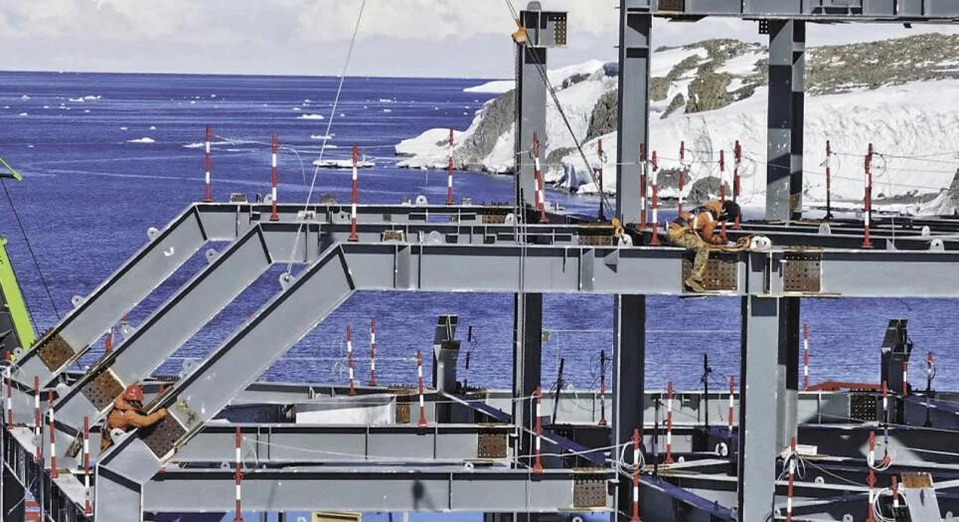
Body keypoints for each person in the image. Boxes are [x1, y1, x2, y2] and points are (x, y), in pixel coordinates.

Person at [667, 200, 741, 293]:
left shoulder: (709, 207)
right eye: (727, 218)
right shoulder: (710, 218)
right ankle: (694, 279)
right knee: (703, 248)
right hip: (677, 235)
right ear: (724, 211)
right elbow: (707, 237)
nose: (725, 220)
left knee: (702, 244)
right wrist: (721, 240)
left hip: (675, 230)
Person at [101, 384, 168, 451]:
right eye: (138, 401)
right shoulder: (129, 414)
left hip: (107, 428)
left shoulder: (120, 400)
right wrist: (159, 414)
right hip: (114, 437)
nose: (139, 403)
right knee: (108, 451)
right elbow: (145, 421)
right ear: (132, 401)